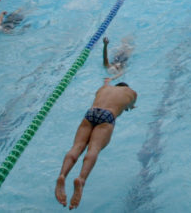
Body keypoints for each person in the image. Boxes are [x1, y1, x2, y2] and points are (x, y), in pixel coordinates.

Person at [55, 78, 137, 209]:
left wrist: (107, 82)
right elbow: (130, 105)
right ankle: (81, 179)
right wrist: (130, 106)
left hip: (91, 113)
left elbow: (104, 87)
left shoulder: (104, 89)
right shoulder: (131, 92)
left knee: (77, 146)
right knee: (94, 149)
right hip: (107, 116)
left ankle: (62, 175)